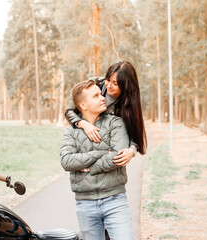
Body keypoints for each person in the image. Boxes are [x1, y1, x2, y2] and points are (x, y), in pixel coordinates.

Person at [60, 79, 133, 240]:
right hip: (84, 204)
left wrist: (89, 169)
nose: (103, 98)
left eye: (101, 94)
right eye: (96, 96)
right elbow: (66, 161)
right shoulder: (71, 132)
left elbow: (116, 156)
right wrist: (101, 153)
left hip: (115, 201)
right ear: (83, 105)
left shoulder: (116, 123)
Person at [65, 60, 147, 168]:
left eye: (115, 83)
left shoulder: (128, 104)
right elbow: (70, 110)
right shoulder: (95, 85)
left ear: (126, 86)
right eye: (108, 79)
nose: (109, 85)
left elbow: (135, 133)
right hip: (85, 142)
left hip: (107, 148)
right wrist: (84, 124)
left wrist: (132, 150)